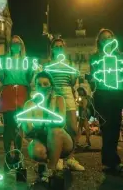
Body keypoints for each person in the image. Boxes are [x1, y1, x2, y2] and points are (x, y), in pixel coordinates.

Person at [89, 28, 123, 173]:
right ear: (99, 41)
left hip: (117, 92)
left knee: (115, 125)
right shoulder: (95, 57)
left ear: (113, 39)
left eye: (109, 37)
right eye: (103, 38)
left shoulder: (121, 56)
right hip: (102, 93)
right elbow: (93, 75)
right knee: (106, 126)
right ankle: (112, 160)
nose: (107, 40)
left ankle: (109, 160)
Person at [21, 71, 74, 182]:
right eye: (39, 84)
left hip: (60, 140)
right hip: (41, 139)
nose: (42, 87)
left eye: (46, 84)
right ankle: (50, 162)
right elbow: (27, 130)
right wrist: (28, 125)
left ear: (51, 85)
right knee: (37, 151)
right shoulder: (29, 104)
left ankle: (51, 168)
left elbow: (60, 123)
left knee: (54, 131)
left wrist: (50, 105)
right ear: (35, 86)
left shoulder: (59, 99)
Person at [44, 38, 84, 171]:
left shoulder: (70, 63)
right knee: (57, 126)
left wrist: (75, 75)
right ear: (52, 49)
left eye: (61, 46)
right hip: (54, 93)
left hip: (67, 92)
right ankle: (59, 158)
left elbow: (72, 82)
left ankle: (70, 158)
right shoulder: (49, 64)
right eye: (56, 46)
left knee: (72, 126)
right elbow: (47, 82)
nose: (59, 48)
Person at [0, 35, 32, 168]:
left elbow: (30, 77)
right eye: (13, 43)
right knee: (8, 126)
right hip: (9, 92)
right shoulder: (5, 60)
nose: (16, 45)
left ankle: (17, 154)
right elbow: (1, 77)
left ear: (22, 46)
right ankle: (7, 155)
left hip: (22, 92)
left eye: (18, 43)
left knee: (19, 126)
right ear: (10, 46)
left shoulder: (26, 61)